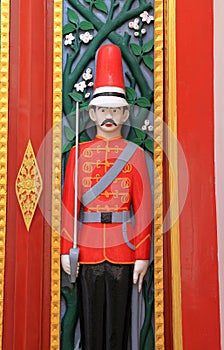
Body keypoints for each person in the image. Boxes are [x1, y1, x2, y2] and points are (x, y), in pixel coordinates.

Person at [61, 44, 152, 350]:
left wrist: (142, 255)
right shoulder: (78, 153)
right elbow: (69, 206)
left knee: (118, 327)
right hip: (86, 248)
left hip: (123, 249)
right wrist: (65, 249)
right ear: (92, 113)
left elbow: (143, 208)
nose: (109, 116)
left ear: (125, 113)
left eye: (115, 110)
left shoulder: (135, 155)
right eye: (103, 110)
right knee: (90, 326)